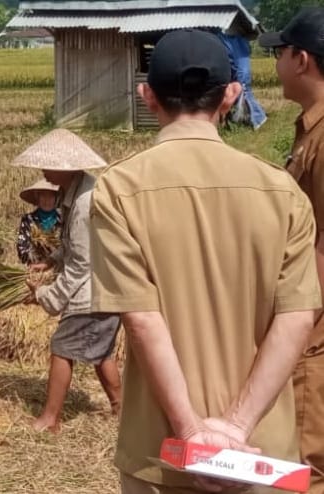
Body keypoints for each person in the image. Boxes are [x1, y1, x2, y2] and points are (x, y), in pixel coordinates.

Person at [90, 29, 321, 493]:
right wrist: (236, 427)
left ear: (147, 95)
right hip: (260, 453)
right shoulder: (282, 193)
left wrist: (193, 432)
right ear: (232, 96)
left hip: (163, 452)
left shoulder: (118, 189)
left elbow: (141, 320)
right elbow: (297, 319)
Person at [14, 129, 123, 433]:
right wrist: (52, 259)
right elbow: (74, 246)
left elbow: (81, 263)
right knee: (101, 351)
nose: (42, 171)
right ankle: (120, 408)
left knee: (61, 346)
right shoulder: (75, 193)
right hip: (103, 285)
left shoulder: (85, 203)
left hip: (94, 290)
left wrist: (47, 294)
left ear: (64, 167)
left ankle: (51, 419)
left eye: (47, 166)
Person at [260, 10, 324, 491]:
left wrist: (299, 323)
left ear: (301, 60)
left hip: (314, 325)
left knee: (306, 463)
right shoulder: (309, 131)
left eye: (279, 53)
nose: (276, 62)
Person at [16, 178, 61, 266]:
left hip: (60, 267)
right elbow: (22, 248)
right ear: (37, 198)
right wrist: (35, 257)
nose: (47, 200)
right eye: (43, 196)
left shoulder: (63, 220)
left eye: (50, 196)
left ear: (56, 198)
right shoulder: (28, 219)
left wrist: (54, 257)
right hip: (35, 268)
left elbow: (69, 246)